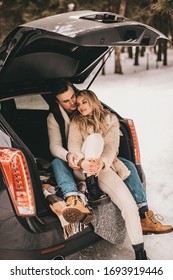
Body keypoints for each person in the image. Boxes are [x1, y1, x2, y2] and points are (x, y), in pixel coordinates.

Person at [47, 79, 173, 235]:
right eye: (66, 101)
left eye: (73, 97)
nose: (73, 103)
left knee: (129, 166)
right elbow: (54, 146)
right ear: (57, 101)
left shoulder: (87, 106)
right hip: (75, 159)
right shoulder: (54, 118)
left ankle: (144, 215)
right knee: (57, 163)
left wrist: (106, 157)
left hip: (98, 154)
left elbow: (109, 139)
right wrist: (69, 156)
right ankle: (74, 201)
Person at [67, 89, 150, 259]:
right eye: (78, 104)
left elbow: (112, 146)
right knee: (96, 138)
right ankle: (91, 183)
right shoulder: (76, 122)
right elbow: (73, 147)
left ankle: (140, 254)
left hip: (103, 168)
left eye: (84, 102)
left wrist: (102, 162)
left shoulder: (111, 119)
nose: (81, 107)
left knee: (130, 206)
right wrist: (85, 163)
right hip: (82, 169)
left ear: (93, 100)